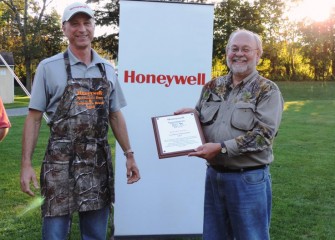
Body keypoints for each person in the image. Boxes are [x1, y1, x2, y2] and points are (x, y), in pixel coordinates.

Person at [20, 2, 140, 239]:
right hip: (59, 163)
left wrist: (129, 154)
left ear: (94, 27)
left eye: (87, 23)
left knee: (95, 233)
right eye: (75, 24)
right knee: (54, 233)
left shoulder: (107, 69)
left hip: (97, 162)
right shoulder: (48, 67)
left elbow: (115, 115)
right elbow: (33, 119)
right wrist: (26, 164)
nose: (81, 29)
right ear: (64, 29)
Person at [175, 29, 284, 240]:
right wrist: (192, 117)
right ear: (227, 52)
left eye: (246, 49)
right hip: (215, 176)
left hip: (248, 179)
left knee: (251, 236)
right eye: (234, 48)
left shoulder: (267, 90)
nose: (239, 54)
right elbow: (205, 121)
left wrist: (222, 148)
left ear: (258, 54)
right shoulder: (212, 86)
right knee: (214, 236)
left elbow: (263, 135)